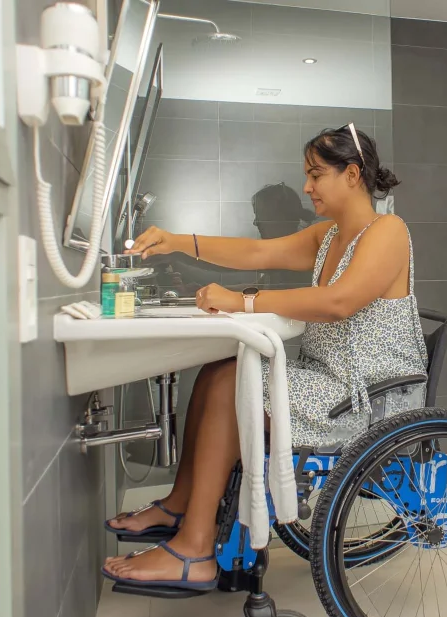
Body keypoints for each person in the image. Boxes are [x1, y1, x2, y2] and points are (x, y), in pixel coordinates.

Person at [102, 124, 428, 590]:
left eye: (316, 175)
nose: (307, 186)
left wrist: (244, 302)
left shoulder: (389, 231)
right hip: (328, 383)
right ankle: (180, 505)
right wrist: (177, 240)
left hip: (368, 398)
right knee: (219, 369)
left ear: (352, 174)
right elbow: (256, 249)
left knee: (230, 382)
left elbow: (339, 302)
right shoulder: (327, 236)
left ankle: (196, 549)